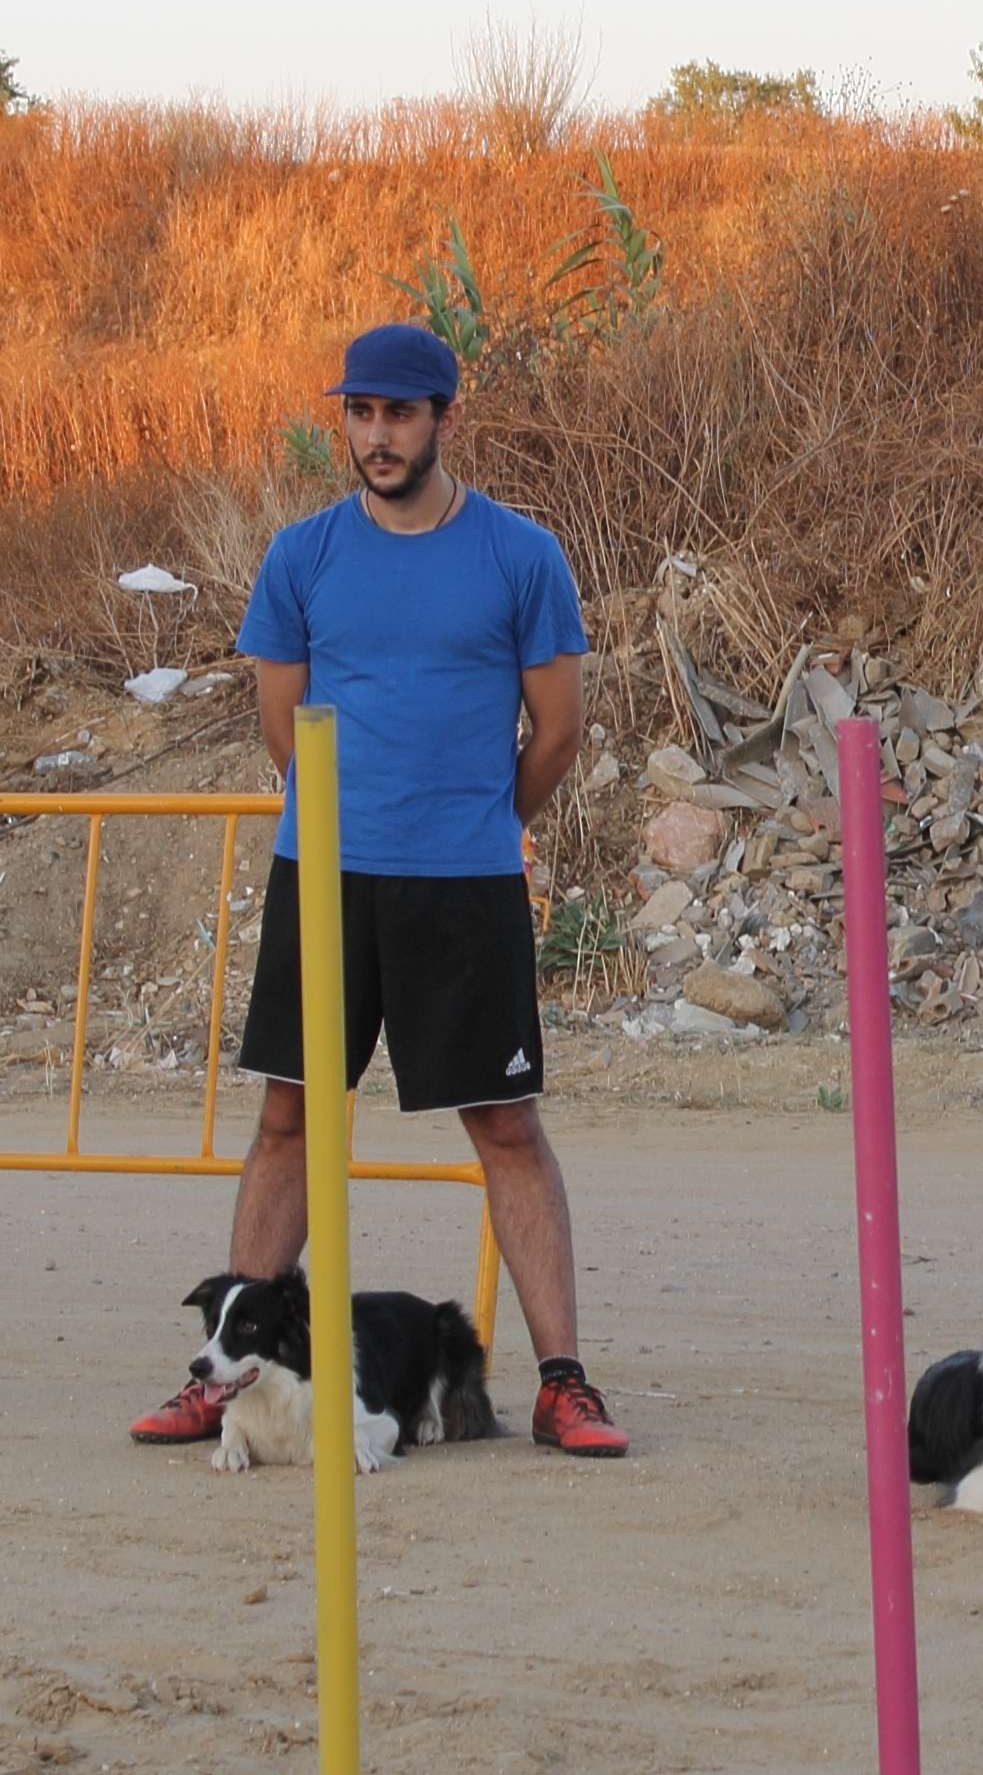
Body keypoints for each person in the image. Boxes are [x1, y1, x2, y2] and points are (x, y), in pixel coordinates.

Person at [129, 323, 623, 1456]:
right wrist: (345, 822)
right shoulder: (303, 556)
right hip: (328, 879)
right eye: (360, 412)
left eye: (400, 413)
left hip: (467, 883)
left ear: (446, 417)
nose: (377, 434)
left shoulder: (519, 553)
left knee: (504, 1124)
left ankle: (562, 1383)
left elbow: (558, 731)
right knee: (289, 1116)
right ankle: (226, 1372)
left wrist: (481, 820)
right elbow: (277, 723)